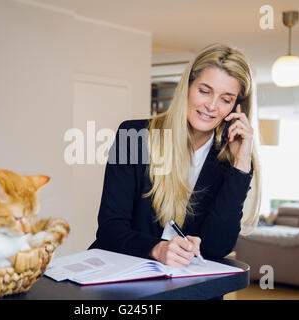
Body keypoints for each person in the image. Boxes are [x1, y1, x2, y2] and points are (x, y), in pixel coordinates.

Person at [89, 43, 261, 267]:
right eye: (204, 91)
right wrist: (157, 249)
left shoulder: (232, 159)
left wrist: (241, 164)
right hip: (126, 277)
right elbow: (110, 230)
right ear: (187, 87)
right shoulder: (134, 136)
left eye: (226, 99)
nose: (211, 106)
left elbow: (217, 247)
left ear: (236, 109)